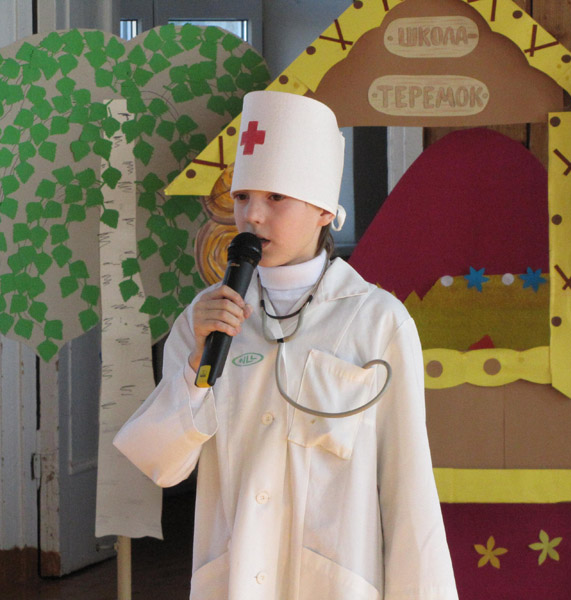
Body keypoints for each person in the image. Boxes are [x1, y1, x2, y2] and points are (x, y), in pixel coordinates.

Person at [113, 91, 459, 600]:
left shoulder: (377, 322)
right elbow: (163, 464)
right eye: (242, 197)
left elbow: (407, 488)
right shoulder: (207, 318)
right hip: (232, 581)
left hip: (336, 584)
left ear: (323, 210)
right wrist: (194, 369)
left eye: (276, 197)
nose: (252, 216)